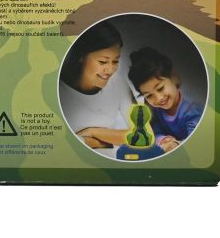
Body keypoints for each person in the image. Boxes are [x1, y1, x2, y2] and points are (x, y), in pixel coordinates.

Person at [58, 22, 131, 152]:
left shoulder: (117, 82)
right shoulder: (59, 90)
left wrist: (92, 132)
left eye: (115, 61)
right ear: (81, 56)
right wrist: (104, 142)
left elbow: (143, 134)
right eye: (103, 62)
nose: (110, 70)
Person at [126, 46, 202, 152]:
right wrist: (164, 140)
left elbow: (196, 141)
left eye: (160, 88)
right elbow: (155, 133)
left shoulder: (192, 111)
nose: (158, 98)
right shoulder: (156, 112)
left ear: (173, 78)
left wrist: (175, 145)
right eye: (149, 96)